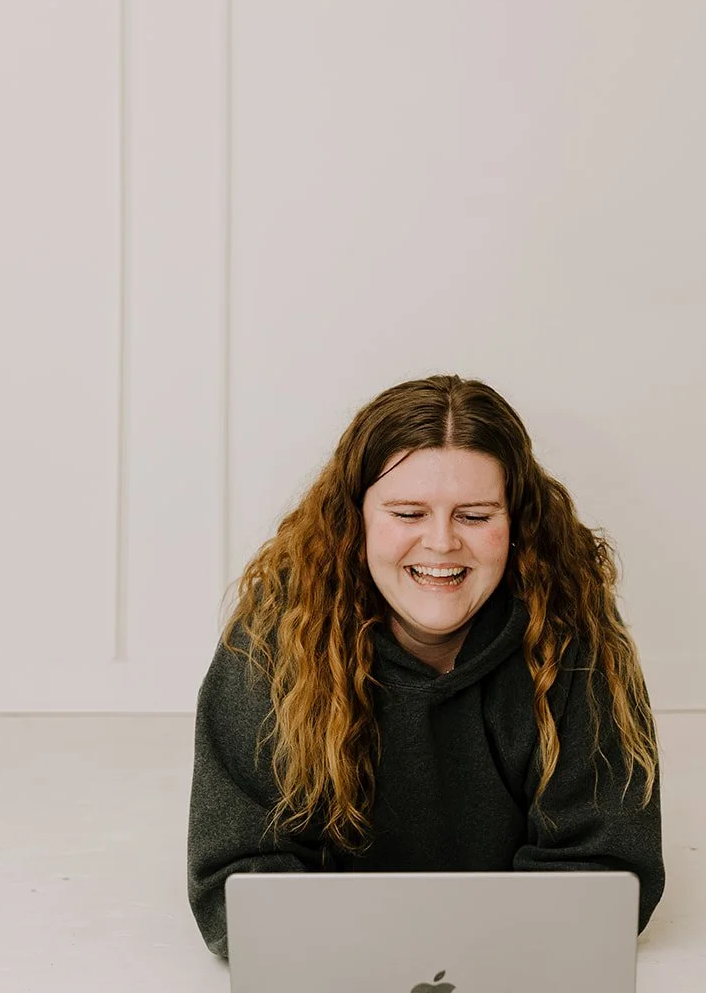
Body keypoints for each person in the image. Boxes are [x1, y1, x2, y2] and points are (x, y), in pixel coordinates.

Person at [187, 373, 665, 959]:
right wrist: (370, 961)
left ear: (516, 524)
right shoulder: (276, 638)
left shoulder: (570, 635)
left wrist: (472, 960)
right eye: (408, 513)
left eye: (475, 515)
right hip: (335, 971)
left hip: (513, 970)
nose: (440, 544)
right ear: (355, 521)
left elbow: (607, 870)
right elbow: (236, 877)